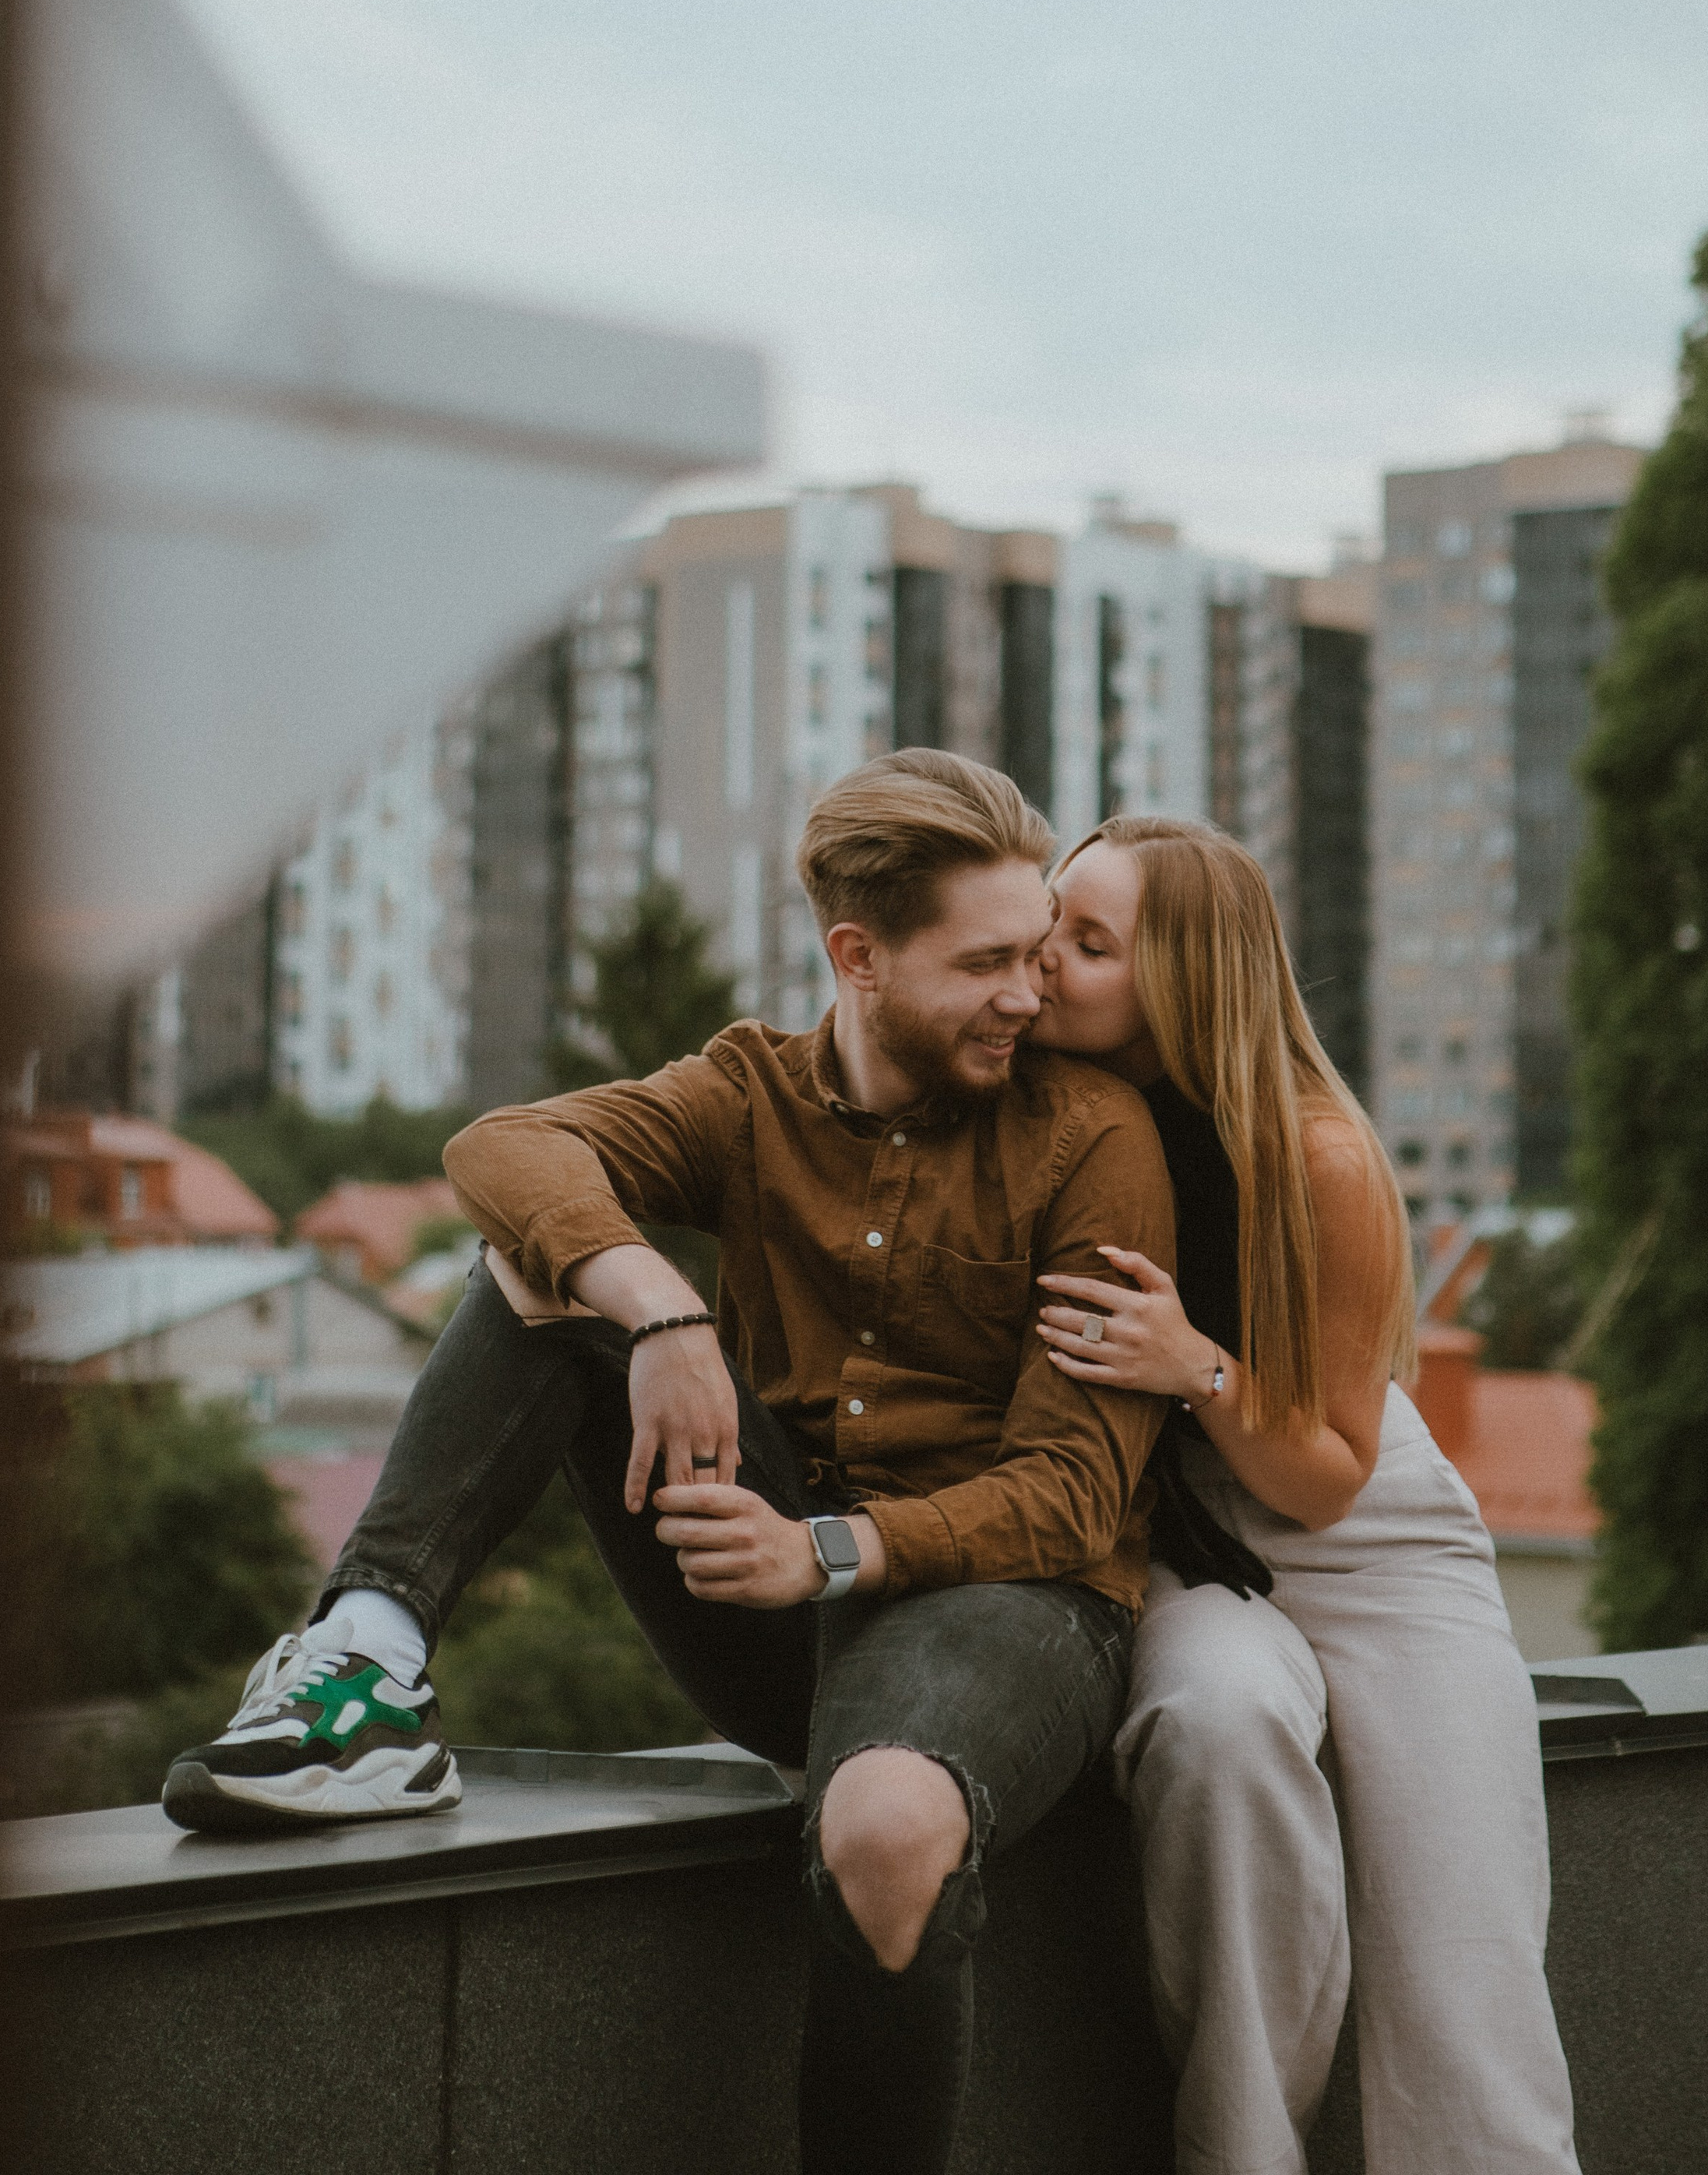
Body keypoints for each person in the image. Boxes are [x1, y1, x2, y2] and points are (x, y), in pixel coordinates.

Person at [164, 750, 1178, 2175]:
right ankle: (367, 1664)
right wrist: (663, 1304)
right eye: (990, 959)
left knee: (885, 1828)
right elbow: (505, 1145)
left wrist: (827, 1552)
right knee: (548, 1267)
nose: (1032, 994)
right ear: (860, 957)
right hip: (774, 1605)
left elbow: (1076, 1493)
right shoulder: (749, 1091)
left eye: (1040, 953)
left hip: (1016, 1610)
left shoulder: (1090, 1134)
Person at [1030, 815, 1582, 2175]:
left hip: (1365, 1530)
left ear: (1185, 982)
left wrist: (1195, 1365)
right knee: (1216, 1729)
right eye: (1051, 917)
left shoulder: (1317, 1157)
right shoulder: (1048, 1108)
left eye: (1087, 943)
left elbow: (1328, 1477)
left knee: (1466, 1955)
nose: (1044, 959)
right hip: (1188, 1545)